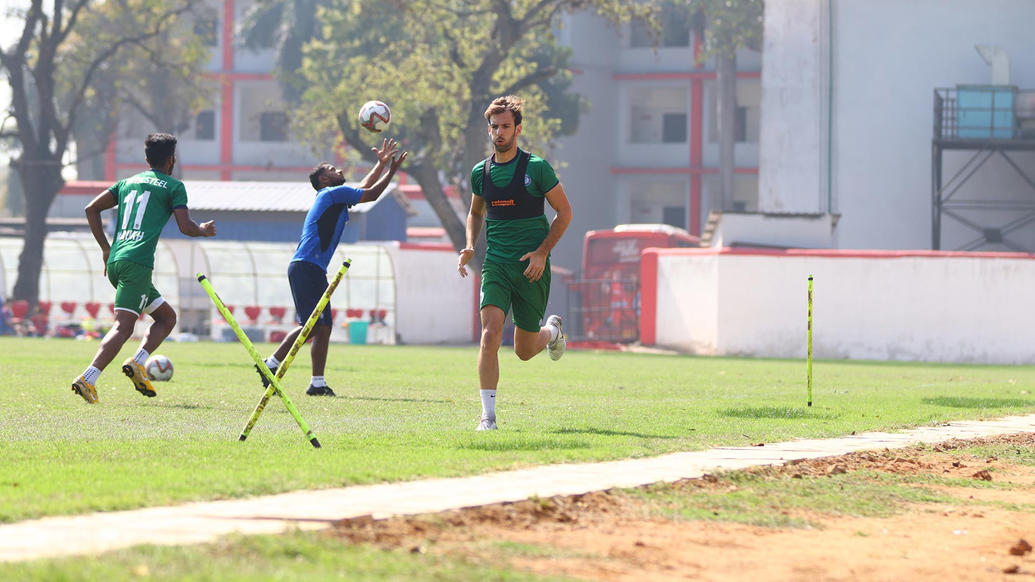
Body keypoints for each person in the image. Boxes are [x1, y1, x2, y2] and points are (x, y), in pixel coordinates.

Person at [71, 133, 216, 404]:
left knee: (166, 318)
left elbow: (91, 209)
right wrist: (204, 231)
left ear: (147, 158)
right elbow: (186, 227)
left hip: (116, 260)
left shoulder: (127, 182)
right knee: (124, 327)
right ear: (172, 159)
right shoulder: (173, 187)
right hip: (137, 263)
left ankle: (138, 363)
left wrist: (105, 248)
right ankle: (87, 378)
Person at [256, 138, 407, 396]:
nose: (339, 171)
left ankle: (317, 384)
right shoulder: (331, 193)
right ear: (324, 180)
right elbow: (370, 194)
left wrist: (380, 164)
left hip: (312, 268)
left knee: (324, 327)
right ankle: (271, 363)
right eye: (332, 169)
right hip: (306, 266)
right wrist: (391, 171)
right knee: (313, 325)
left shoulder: (335, 196)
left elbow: (362, 187)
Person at [457, 95, 573, 431]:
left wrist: (542, 252)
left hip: (531, 268)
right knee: (490, 335)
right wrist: (468, 245)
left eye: (506, 126)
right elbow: (475, 212)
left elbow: (564, 213)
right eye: (494, 127)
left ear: (517, 129)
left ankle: (552, 331)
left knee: (523, 350)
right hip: (496, 264)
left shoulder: (536, 168)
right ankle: (487, 418)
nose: (499, 133)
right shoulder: (481, 172)